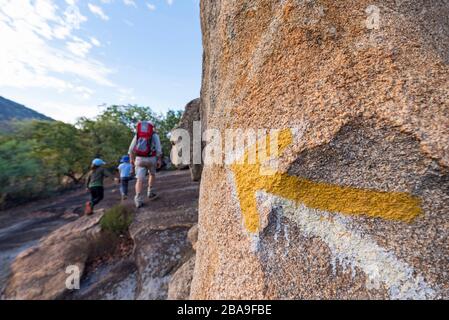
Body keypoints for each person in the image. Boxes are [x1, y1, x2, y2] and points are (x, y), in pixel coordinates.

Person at [128, 121, 162, 208]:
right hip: (151, 159)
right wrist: (159, 159)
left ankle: (138, 199)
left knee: (139, 179)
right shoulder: (155, 135)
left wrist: (131, 159)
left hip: (139, 159)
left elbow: (131, 149)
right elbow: (158, 149)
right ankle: (150, 192)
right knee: (152, 174)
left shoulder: (138, 134)